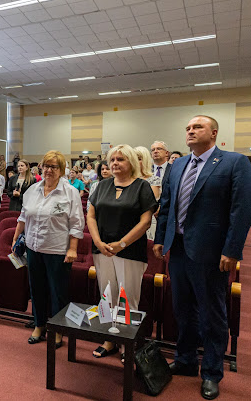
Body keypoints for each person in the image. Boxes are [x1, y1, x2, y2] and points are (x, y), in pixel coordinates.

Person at [154, 115, 251, 400]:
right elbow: (167, 205)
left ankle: (211, 372)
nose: (190, 131)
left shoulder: (234, 162)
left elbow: (244, 208)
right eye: (187, 127)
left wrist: (232, 250)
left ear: (213, 133)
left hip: (211, 252)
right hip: (178, 248)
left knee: (212, 314)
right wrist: (161, 238)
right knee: (182, 310)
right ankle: (186, 360)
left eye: (197, 127)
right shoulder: (177, 165)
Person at [87, 144, 157, 361]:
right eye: (112, 159)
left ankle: (128, 343)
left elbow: (146, 222)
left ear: (131, 162)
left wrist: (122, 244)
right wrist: (98, 241)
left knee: (128, 298)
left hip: (130, 251)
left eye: (120, 159)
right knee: (107, 295)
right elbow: (91, 215)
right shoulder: (101, 185)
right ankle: (109, 340)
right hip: (102, 249)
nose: (115, 163)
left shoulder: (142, 186)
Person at [12, 150, 84, 348]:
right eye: (46, 166)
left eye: (54, 167)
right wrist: (16, 237)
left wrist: (72, 249)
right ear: (41, 167)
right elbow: (23, 216)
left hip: (57, 250)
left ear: (61, 170)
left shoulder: (70, 192)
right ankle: (39, 324)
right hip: (33, 247)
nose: (49, 170)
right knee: (36, 288)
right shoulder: (32, 190)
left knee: (57, 291)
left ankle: (58, 329)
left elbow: (76, 223)